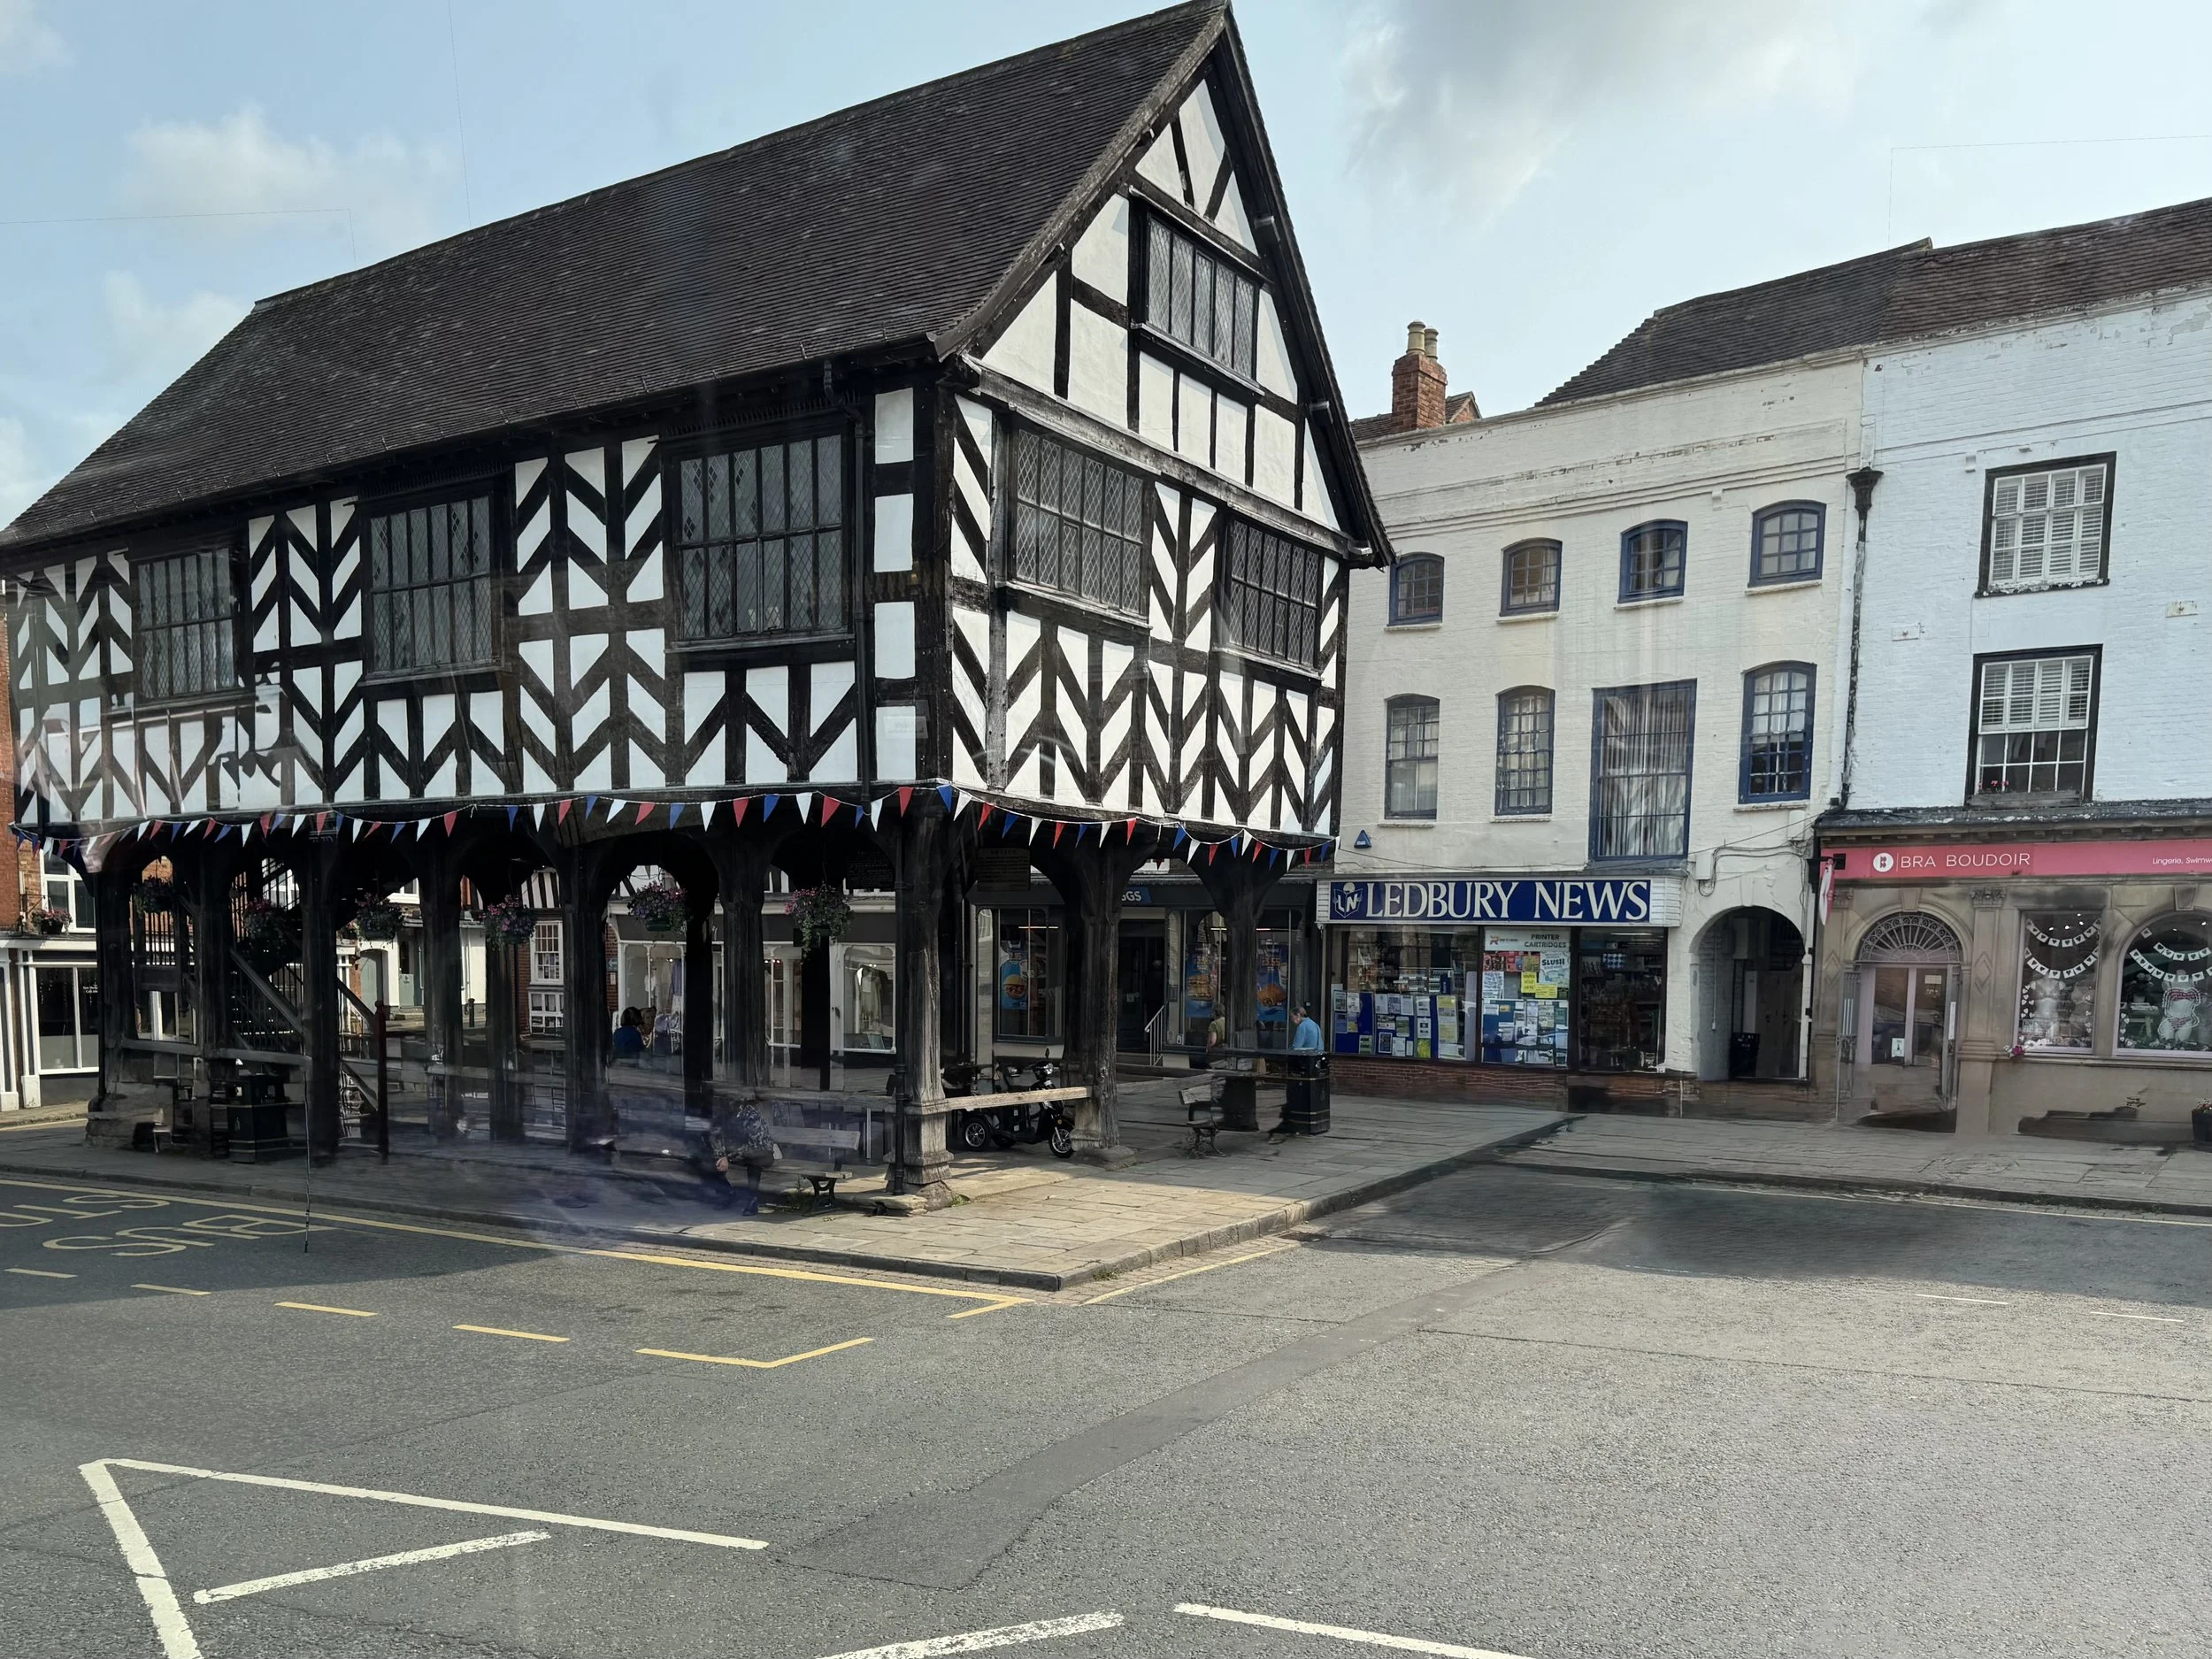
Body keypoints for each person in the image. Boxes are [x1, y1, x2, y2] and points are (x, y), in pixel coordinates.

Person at [695, 1103, 779, 1211]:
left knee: (755, 1161)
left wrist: (728, 1158)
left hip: (761, 1152)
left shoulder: (751, 1116)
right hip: (735, 1154)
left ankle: (752, 1200)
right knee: (703, 1160)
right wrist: (721, 1156)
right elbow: (715, 1137)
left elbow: (755, 1146)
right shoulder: (722, 1115)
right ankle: (727, 1193)